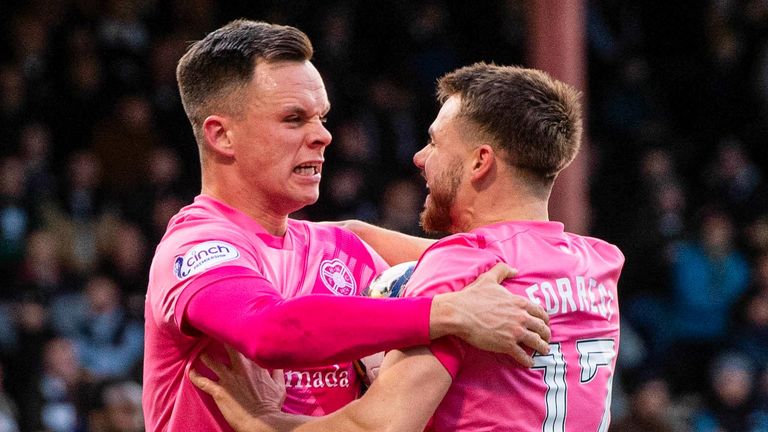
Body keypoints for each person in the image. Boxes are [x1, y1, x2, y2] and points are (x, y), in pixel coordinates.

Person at [143, 20, 553, 431]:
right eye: (294, 118)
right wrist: (446, 313)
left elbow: (505, 273)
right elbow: (269, 330)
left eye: (321, 117)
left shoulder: (343, 248)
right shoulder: (195, 248)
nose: (322, 135)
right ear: (222, 136)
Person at [190, 62, 625, 431]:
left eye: (435, 142)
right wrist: (339, 234)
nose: (419, 157)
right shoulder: (598, 264)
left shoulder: (460, 273)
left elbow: (379, 425)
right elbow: (498, 254)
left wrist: (262, 422)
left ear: (480, 161)